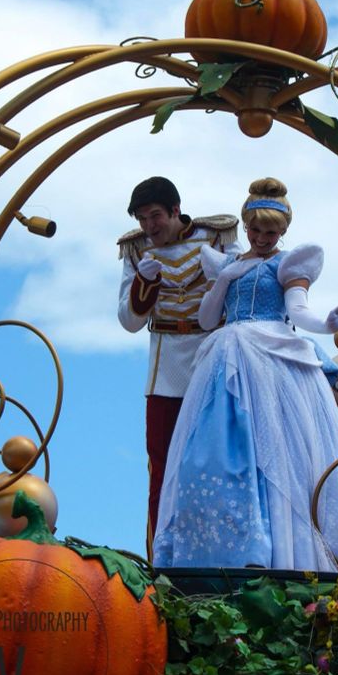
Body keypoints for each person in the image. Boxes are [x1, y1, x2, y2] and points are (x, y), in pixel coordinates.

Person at [153, 178, 338, 573]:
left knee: (282, 452)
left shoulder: (288, 264)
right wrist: (224, 279)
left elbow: (298, 311)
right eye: (255, 230)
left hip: (272, 359)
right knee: (220, 452)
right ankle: (232, 548)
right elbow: (207, 319)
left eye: (270, 233)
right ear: (245, 226)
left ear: (283, 231)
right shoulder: (226, 264)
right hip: (226, 356)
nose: (260, 238)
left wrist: (329, 323)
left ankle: (286, 553)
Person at [118, 177, 239, 555]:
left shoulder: (217, 237)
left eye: (155, 216)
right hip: (166, 369)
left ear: (175, 210)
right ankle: (161, 559)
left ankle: (225, 558)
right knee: (162, 468)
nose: (148, 226)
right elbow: (129, 321)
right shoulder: (136, 251)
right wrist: (144, 284)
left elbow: (242, 288)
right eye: (141, 219)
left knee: (222, 463)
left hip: (212, 360)